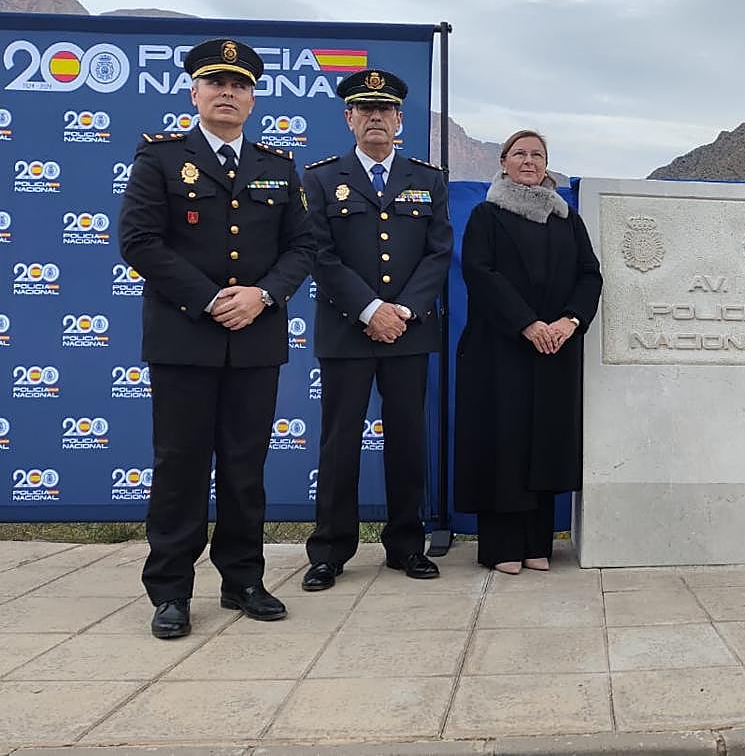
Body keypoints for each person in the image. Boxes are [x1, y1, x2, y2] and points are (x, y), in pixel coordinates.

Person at [119, 38, 316, 639]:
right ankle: (171, 591)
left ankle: (243, 580)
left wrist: (263, 294)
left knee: (244, 467)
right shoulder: (159, 157)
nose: (228, 92)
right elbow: (138, 241)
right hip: (185, 338)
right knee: (179, 467)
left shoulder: (278, 167)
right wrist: (209, 298)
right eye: (216, 83)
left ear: (254, 98)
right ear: (195, 92)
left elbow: (303, 246)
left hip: (256, 339)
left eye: (240, 85)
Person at [300, 68, 452, 591]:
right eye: (365, 110)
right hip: (347, 331)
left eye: (384, 110)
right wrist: (370, 310)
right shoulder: (319, 179)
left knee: (408, 440)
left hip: (409, 332)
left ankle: (407, 545)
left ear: (399, 120)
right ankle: (330, 550)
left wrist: (403, 311)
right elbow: (319, 254)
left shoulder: (427, 178)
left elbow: (437, 253)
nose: (375, 119)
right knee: (339, 442)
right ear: (349, 119)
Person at [454, 130, 602, 574]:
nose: (529, 160)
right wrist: (527, 324)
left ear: (547, 164)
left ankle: (538, 544)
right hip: (501, 352)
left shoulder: (567, 219)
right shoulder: (487, 215)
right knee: (506, 445)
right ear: (503, 162)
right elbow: (481, 274)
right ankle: (502, 548)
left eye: (538, 154)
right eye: (520, 153)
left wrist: (568, 322)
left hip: (555, 350)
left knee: (544, 446)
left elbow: (589, 276)